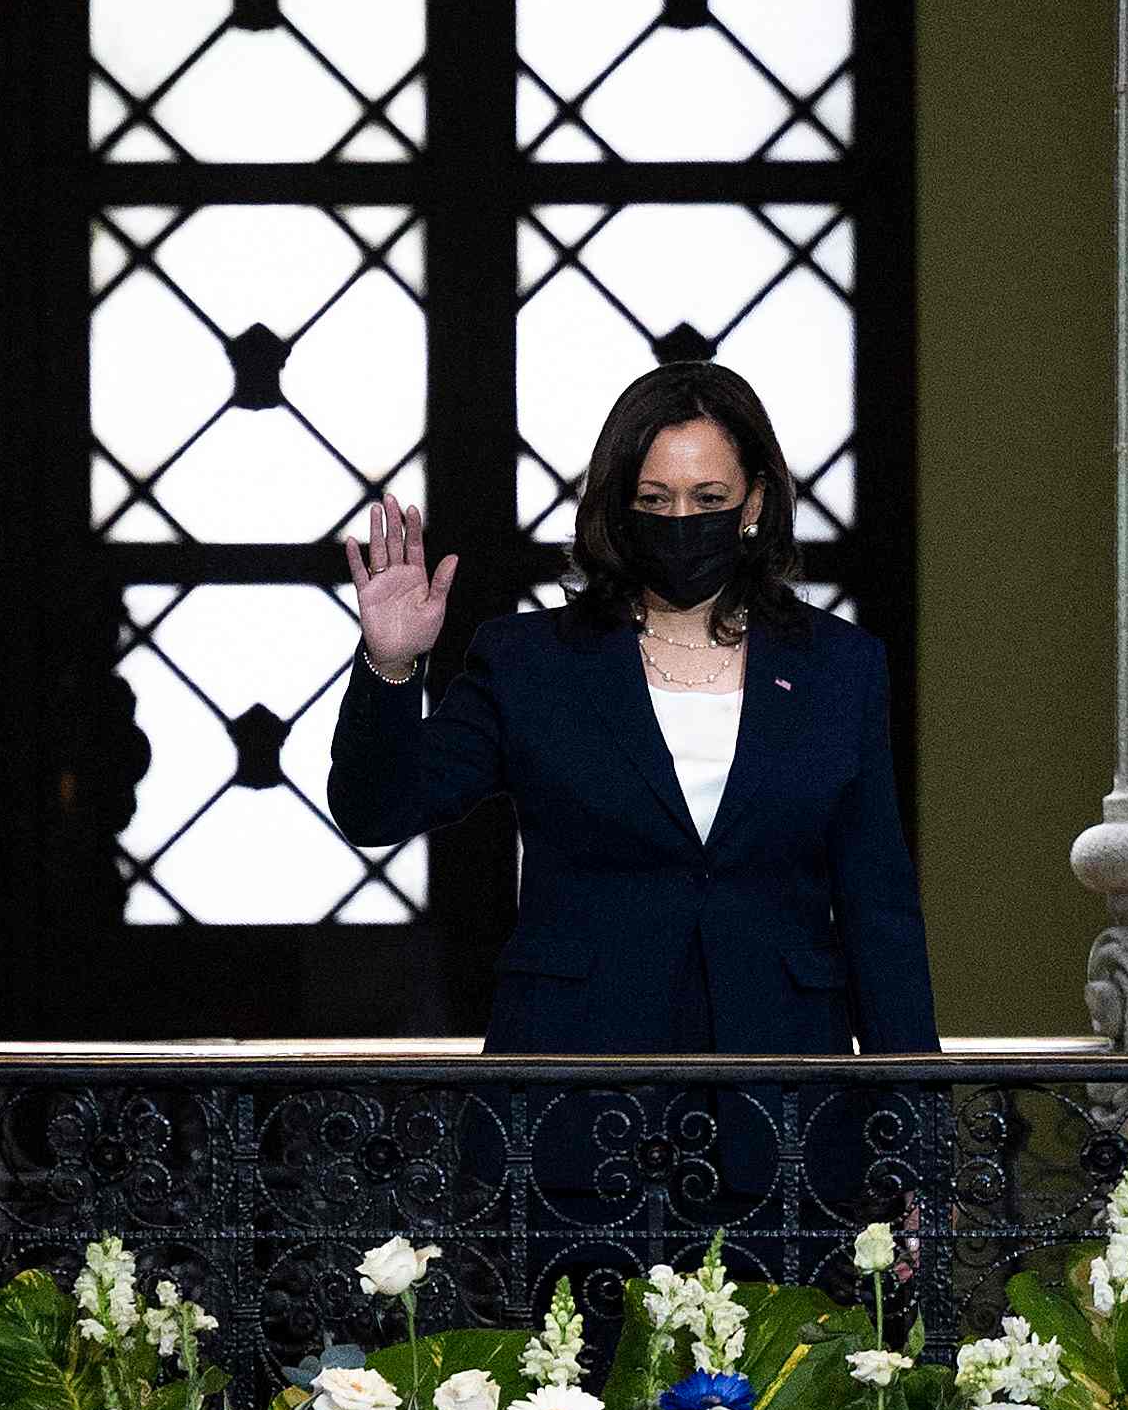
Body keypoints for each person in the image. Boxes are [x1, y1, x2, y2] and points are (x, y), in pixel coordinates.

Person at [330, 363, 936, 1078]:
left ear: (755, 503)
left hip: (782, 1098)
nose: (682, 520)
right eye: (655, 498)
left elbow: (879, 913)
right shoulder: (532, 663)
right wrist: (391, 665)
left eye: (708, 497)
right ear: (619, 507)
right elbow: (377, 808)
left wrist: (914, 1144)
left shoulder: (841, 668)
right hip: (574, 1095)